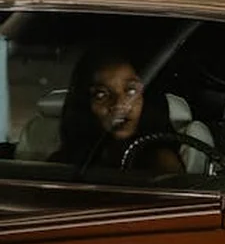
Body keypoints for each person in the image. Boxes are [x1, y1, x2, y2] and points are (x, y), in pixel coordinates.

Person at [50, 44, 184, 174]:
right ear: (85, 104)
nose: (119, 104)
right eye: (101, 95)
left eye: (131, 91)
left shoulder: (161, 162)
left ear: (147, 97)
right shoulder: (64, 163)